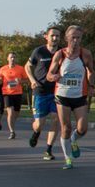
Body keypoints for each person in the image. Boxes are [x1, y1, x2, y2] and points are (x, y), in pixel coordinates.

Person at [46, 25, 95, 170]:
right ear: (67, 38)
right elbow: (49, 75)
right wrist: (53, 77)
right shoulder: (60, 54)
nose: (75, 40)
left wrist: (91, 86)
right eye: (73, 37)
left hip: (79, 95)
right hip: (62, 95)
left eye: (78, 38)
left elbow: (91, 71)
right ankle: (68, 158)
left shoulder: (85, 54)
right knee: (66, 128)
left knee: (83, 128)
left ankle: (73, 139)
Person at [26, 26, 62, 161]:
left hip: (57, 91)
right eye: (52, 35)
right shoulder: (39, 51)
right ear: (46, 36)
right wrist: (32, 80)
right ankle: (36, 132)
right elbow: (27, 66)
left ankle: (48, 149)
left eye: (57, 36)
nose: (55, 38)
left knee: (56, 119)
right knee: (39, 124)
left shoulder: (62, 52)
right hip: (40, 91)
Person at [0, 52, 28, 140]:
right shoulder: (3, 69)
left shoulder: (20, 68)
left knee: (16, 113)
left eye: (14, 57)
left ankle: (12, 124)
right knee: (10, 112)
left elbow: (27, 80)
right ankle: (12, 131)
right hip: (7, 93)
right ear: (7, 59)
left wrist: (20, 81)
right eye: (11, 57)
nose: (13, 59)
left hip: (17, 93)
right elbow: (0, 79)